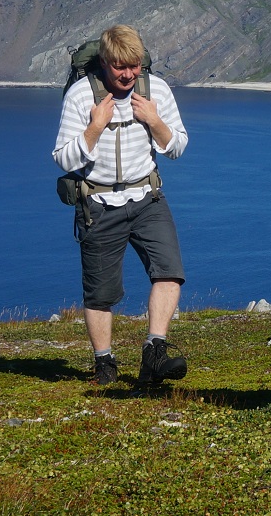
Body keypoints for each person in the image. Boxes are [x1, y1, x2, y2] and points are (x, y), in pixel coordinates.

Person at [52, 24, 190, 388]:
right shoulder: (82, 96)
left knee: (170, 272)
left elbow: (177, 147)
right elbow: (63, 159)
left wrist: (154, 120)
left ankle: (154, 351)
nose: (128, 74)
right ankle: (104, 363)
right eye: (119, 67)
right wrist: (94, 128)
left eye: (134, 66)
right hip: (98, 204)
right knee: (101, 293)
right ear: (104, 63)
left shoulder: (155, 89)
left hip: (148, 198)